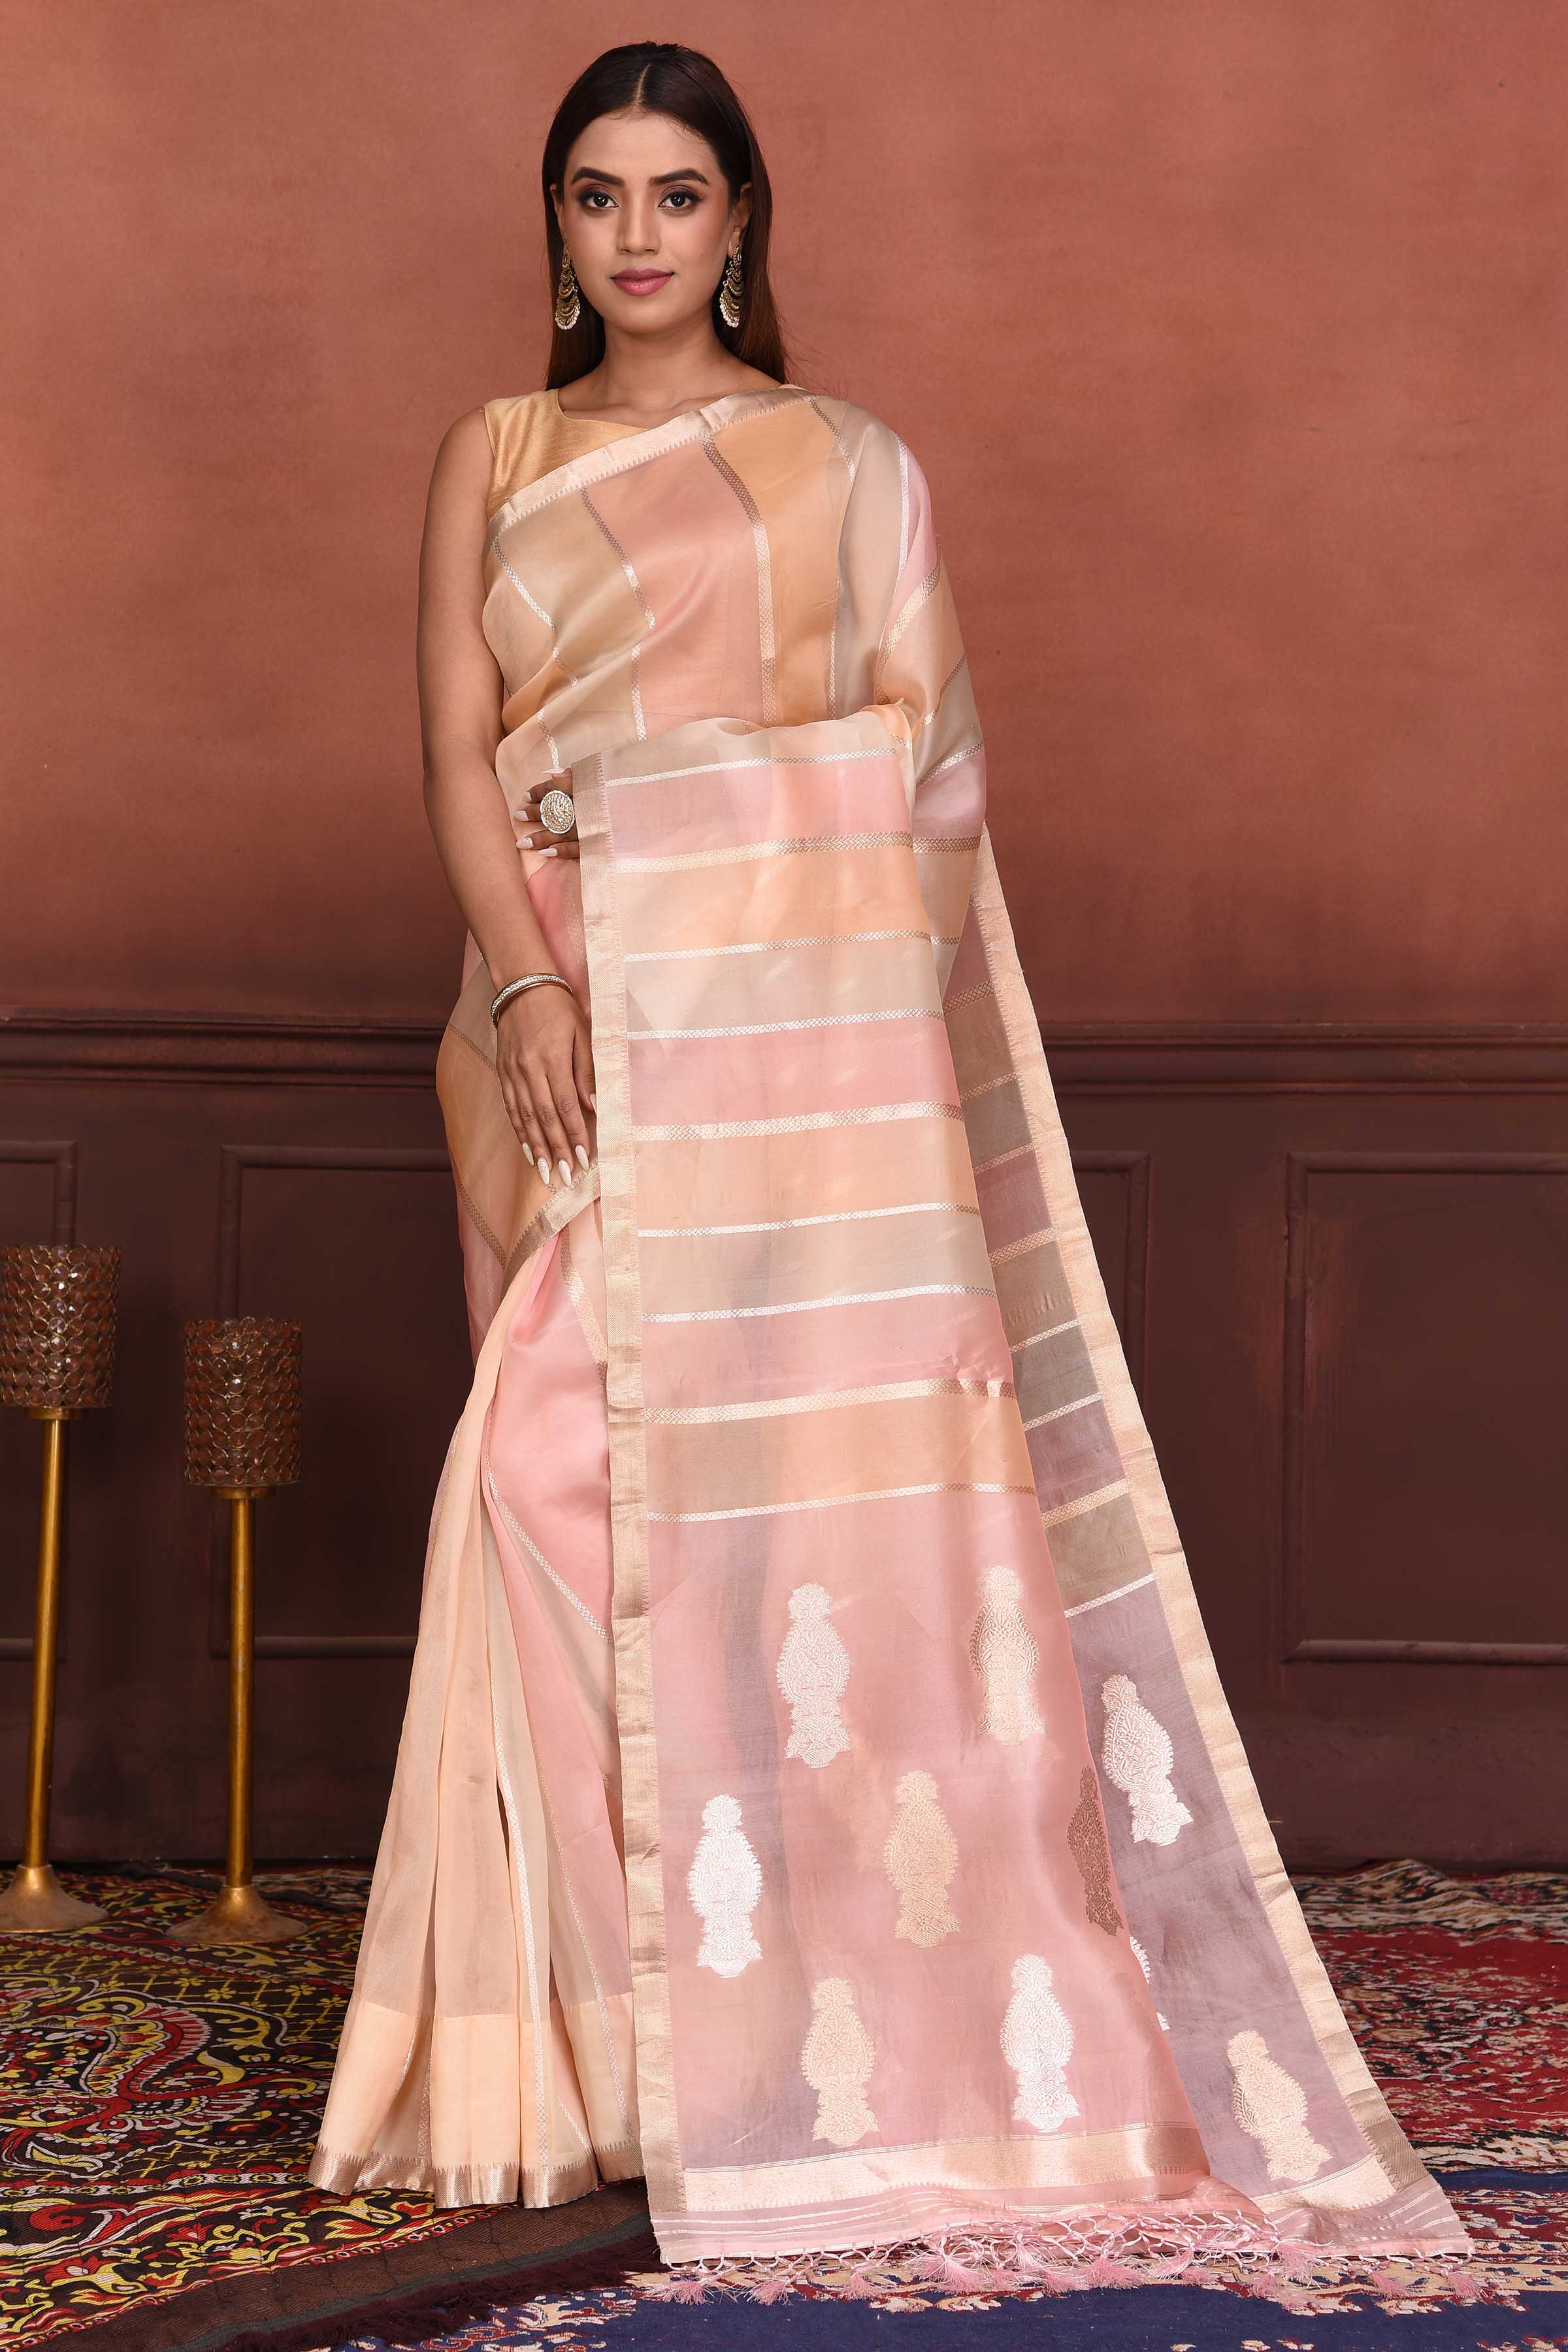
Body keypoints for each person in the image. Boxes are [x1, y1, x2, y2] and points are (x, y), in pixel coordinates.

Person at [309, 39, 1465, 2295]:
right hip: (550, 1025)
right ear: (556, 225)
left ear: (743, 218)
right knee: (557, 1489)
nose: (635, 236)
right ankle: (588, 2057)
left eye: (676, 194)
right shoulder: (496, 452)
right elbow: (455, 748)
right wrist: (528, 988)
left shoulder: (850, 465)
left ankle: (769, 2042)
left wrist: (817, 1027)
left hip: (788, 1049)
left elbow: (927, 784)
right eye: (595, 195)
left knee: (772, 1535)